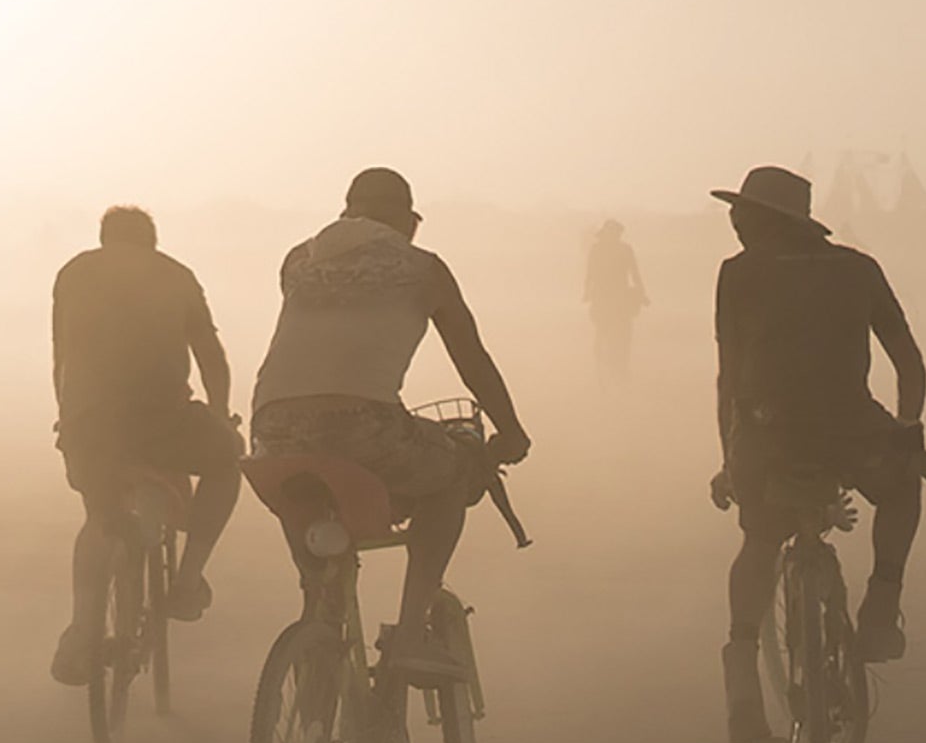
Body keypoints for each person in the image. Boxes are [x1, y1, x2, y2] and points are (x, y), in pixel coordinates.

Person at [250, 167, 532, 681]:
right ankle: (407, 635)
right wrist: (509, 430)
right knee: (454, 469)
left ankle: (318, 648)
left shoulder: (298, 259)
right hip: (363, 427)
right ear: (409, 221)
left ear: (347, 211)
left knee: (322, 584)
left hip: (271, 433)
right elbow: (471, 357)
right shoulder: (423, 268)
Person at [707, 165, 926, 743]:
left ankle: (741, 670)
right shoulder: (858, 269)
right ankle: (882, 604)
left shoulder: (738, 274)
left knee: (759, 540)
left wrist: (729, 457)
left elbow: (729, 376)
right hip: (851, 431)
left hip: (766, 435)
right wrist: (908, 427)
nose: (733, 220)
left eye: (741, 211)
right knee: (904, 482)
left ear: (764, 219)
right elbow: (909, 361)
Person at [49, 206, 241, 685]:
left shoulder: (73, 272)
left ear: (104, 238)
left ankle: (82, 629)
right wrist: (220, 414)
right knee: (226, 459)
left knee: (97, 517)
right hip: (162, 420)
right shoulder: (176, 274)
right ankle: (187, 580)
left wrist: (68, 419)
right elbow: (211, 357)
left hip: (89, 424)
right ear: (151, 242)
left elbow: (62, 360)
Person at [584, 218, 648, 384]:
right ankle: (608, 366)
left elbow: (634, 273)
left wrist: (642, 293)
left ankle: (618, 368)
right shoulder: (603, 250)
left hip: (616, 299)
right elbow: (590, 273)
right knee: (607, 333)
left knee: (621, 335)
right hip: (608, 299)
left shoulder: (619, 250)